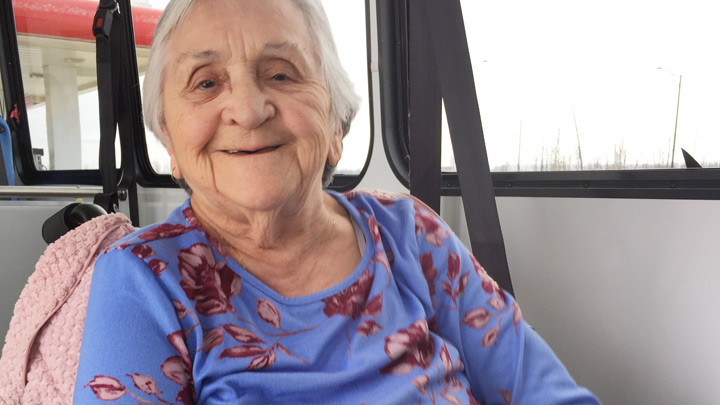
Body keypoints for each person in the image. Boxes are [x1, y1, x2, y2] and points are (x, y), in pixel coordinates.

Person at [74, 0, 600, 403]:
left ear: (334, 124)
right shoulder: (143, 279)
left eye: (281, 73)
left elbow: (545, 392)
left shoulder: (412, 234)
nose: (250, 108)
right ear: (171, 142)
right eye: (207, 82)